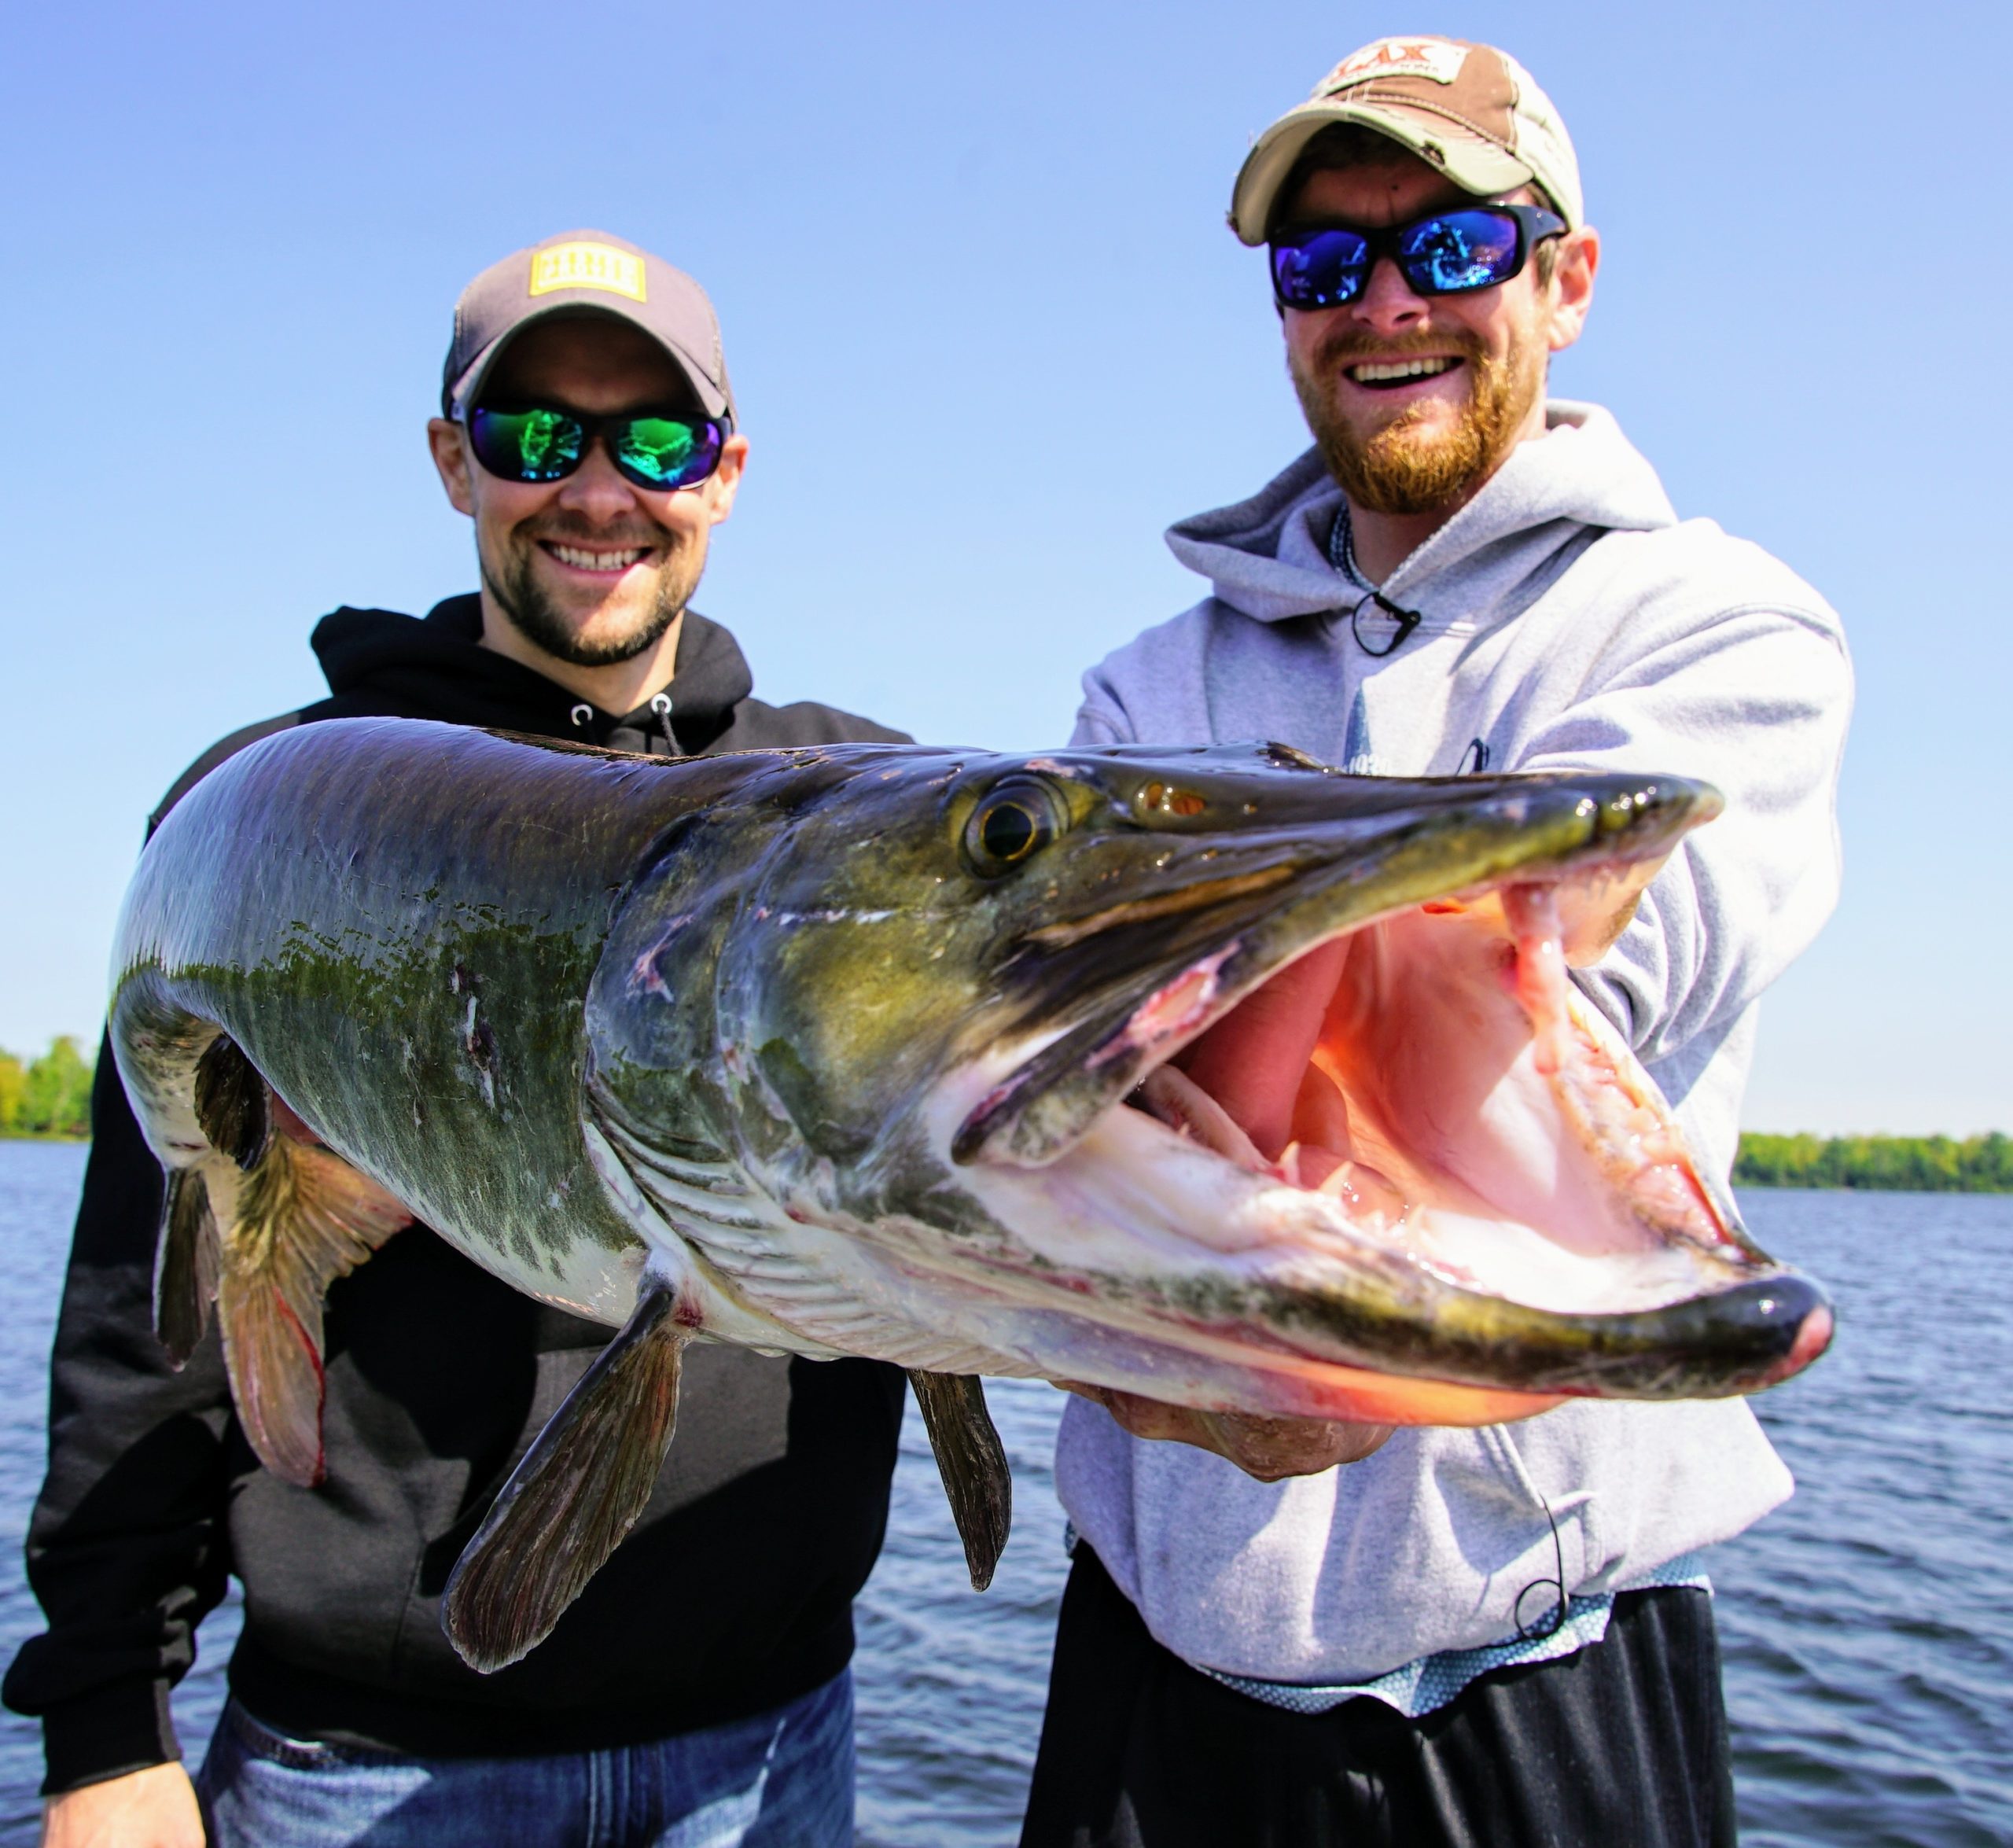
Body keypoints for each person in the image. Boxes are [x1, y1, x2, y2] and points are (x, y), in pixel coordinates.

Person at [1020, 37, 1851, 1848]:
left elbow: (1580, 975)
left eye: (1448, 246)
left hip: (1534, 1669)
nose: (1382, 302)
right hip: (1150, 1669)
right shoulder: (1138, 689)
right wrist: (1125, 1342)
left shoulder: (1717, 623)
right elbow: (1051, 1142)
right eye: (1321, 266)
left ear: (1565, 275)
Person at [6, 230, 911, 1848]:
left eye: (652, 437)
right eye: (531, 436)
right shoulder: (278, 807)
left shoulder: (848, 808)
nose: (594, 488)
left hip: (769, 1751)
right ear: (450, 459)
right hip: (359, 1771)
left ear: (724, 471)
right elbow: (140, 1308)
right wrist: (101, 1728)